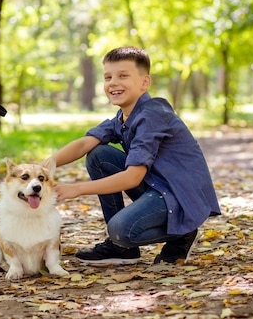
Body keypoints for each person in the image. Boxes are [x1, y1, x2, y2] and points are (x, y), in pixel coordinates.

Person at [48, 46, 220, 265]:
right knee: (98, 155)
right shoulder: (123, 116)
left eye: (123, 76)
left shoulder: (152, 114)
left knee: (120, 229)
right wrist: (42, 167)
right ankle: (121, 250)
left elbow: (132, 178)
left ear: (144, 82)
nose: (113, 83)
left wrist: (76, 189)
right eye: (108, 77)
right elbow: (84, 144)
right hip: (158, 186)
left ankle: (182, 233)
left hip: (180, 196)